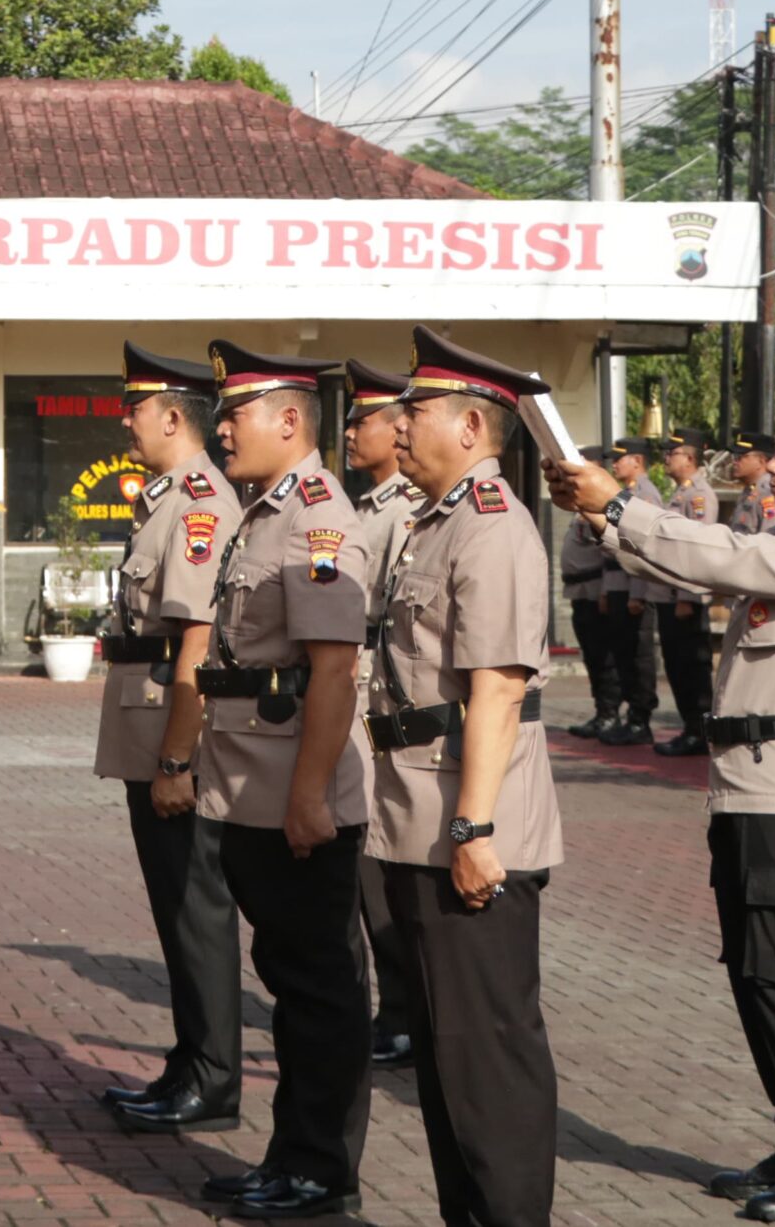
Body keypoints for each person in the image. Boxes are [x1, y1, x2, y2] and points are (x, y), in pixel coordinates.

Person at [553, 386, 775, 1223]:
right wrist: (605, 520)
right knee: (754, 972)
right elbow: (689, 559)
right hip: (752, 784)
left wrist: (624, 505)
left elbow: (721, 558)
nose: (772, 464)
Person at [368, 327, 564, 1227]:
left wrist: (475, 829)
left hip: (467, 821)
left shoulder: (491, 527)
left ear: (475, 428)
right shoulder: (430, 521)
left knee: (489, 1054)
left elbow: (496, 687)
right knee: (448, 1057)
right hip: (418, 809)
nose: (399, 426)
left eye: (417, 411)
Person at [187, 343, 372, 1220]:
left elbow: (333, 672)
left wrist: (309, 793)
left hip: (292, 787)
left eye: (237, 414)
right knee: (291, 982)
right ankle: (292, 1152)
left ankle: (318, 1166)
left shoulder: (316, 519)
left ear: (290, 421)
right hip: (249, 782)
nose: (220, 428)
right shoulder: (263, 512)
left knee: (317, 990)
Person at [97, 342, 244, 1136]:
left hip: (170, 731)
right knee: (173, 904)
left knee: (196, 906)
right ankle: (191, 1061)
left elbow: (194, 637)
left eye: (137, 407)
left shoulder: (197, 503)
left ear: (172, 417)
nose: (127, 418)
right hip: (147, 720)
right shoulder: (164, 499)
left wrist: (177, 759)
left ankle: (215, 1077)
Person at [344, 360, 422, 1070]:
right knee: (369, 864)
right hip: (359, 691)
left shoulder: (404, 508)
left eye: (361, 418)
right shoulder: (368, 505)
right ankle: (392, 1005)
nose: (349, 431)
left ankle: (403, 1011)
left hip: (380, 692)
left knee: (383, 864)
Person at [652, 430, 722, 758]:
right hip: (669, 593)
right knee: (677, 665)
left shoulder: (699, 496)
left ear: (690, 459)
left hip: (685, 597)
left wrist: (687, 596)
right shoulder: (680, 493)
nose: (668, 458)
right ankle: (689, 727)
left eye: (673, 453)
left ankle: (699, 730)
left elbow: (698, 549)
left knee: (692, 666)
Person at [599, 439, 665, 747]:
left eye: (620, 459)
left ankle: (641, 720)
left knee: (639, 656)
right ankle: (631, 717)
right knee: (622, 652)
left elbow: (644, 548)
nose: (614, 464)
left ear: (637, 462)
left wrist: (638, 593)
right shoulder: (624, 494)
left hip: (633, 587)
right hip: (618, 586)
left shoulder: (645, 495)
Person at [560, 445, 622, 742]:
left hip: (597, 588)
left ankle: (611, 713)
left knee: (604, 655)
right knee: (592, 656)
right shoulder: (578, 501)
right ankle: (602, 712)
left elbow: (611, 549)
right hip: (580, 590)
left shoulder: (600, 502)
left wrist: (607, 591)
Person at [728, 432, 775, 535]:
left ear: (761, 461)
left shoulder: (769, 493)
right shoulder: (750, 489)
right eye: (734, 457)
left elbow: (769, 539)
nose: (735, 462)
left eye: (740, 457)